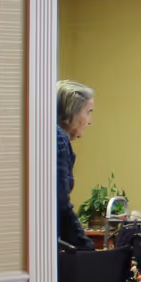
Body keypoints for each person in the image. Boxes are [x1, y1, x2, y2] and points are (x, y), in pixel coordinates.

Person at [56, 79, 96, 250]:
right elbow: (60, 203)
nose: (89, 121)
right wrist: (86, 248)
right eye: (88, 112)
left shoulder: (51, 135)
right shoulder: (58, 140)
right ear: (71, 111)